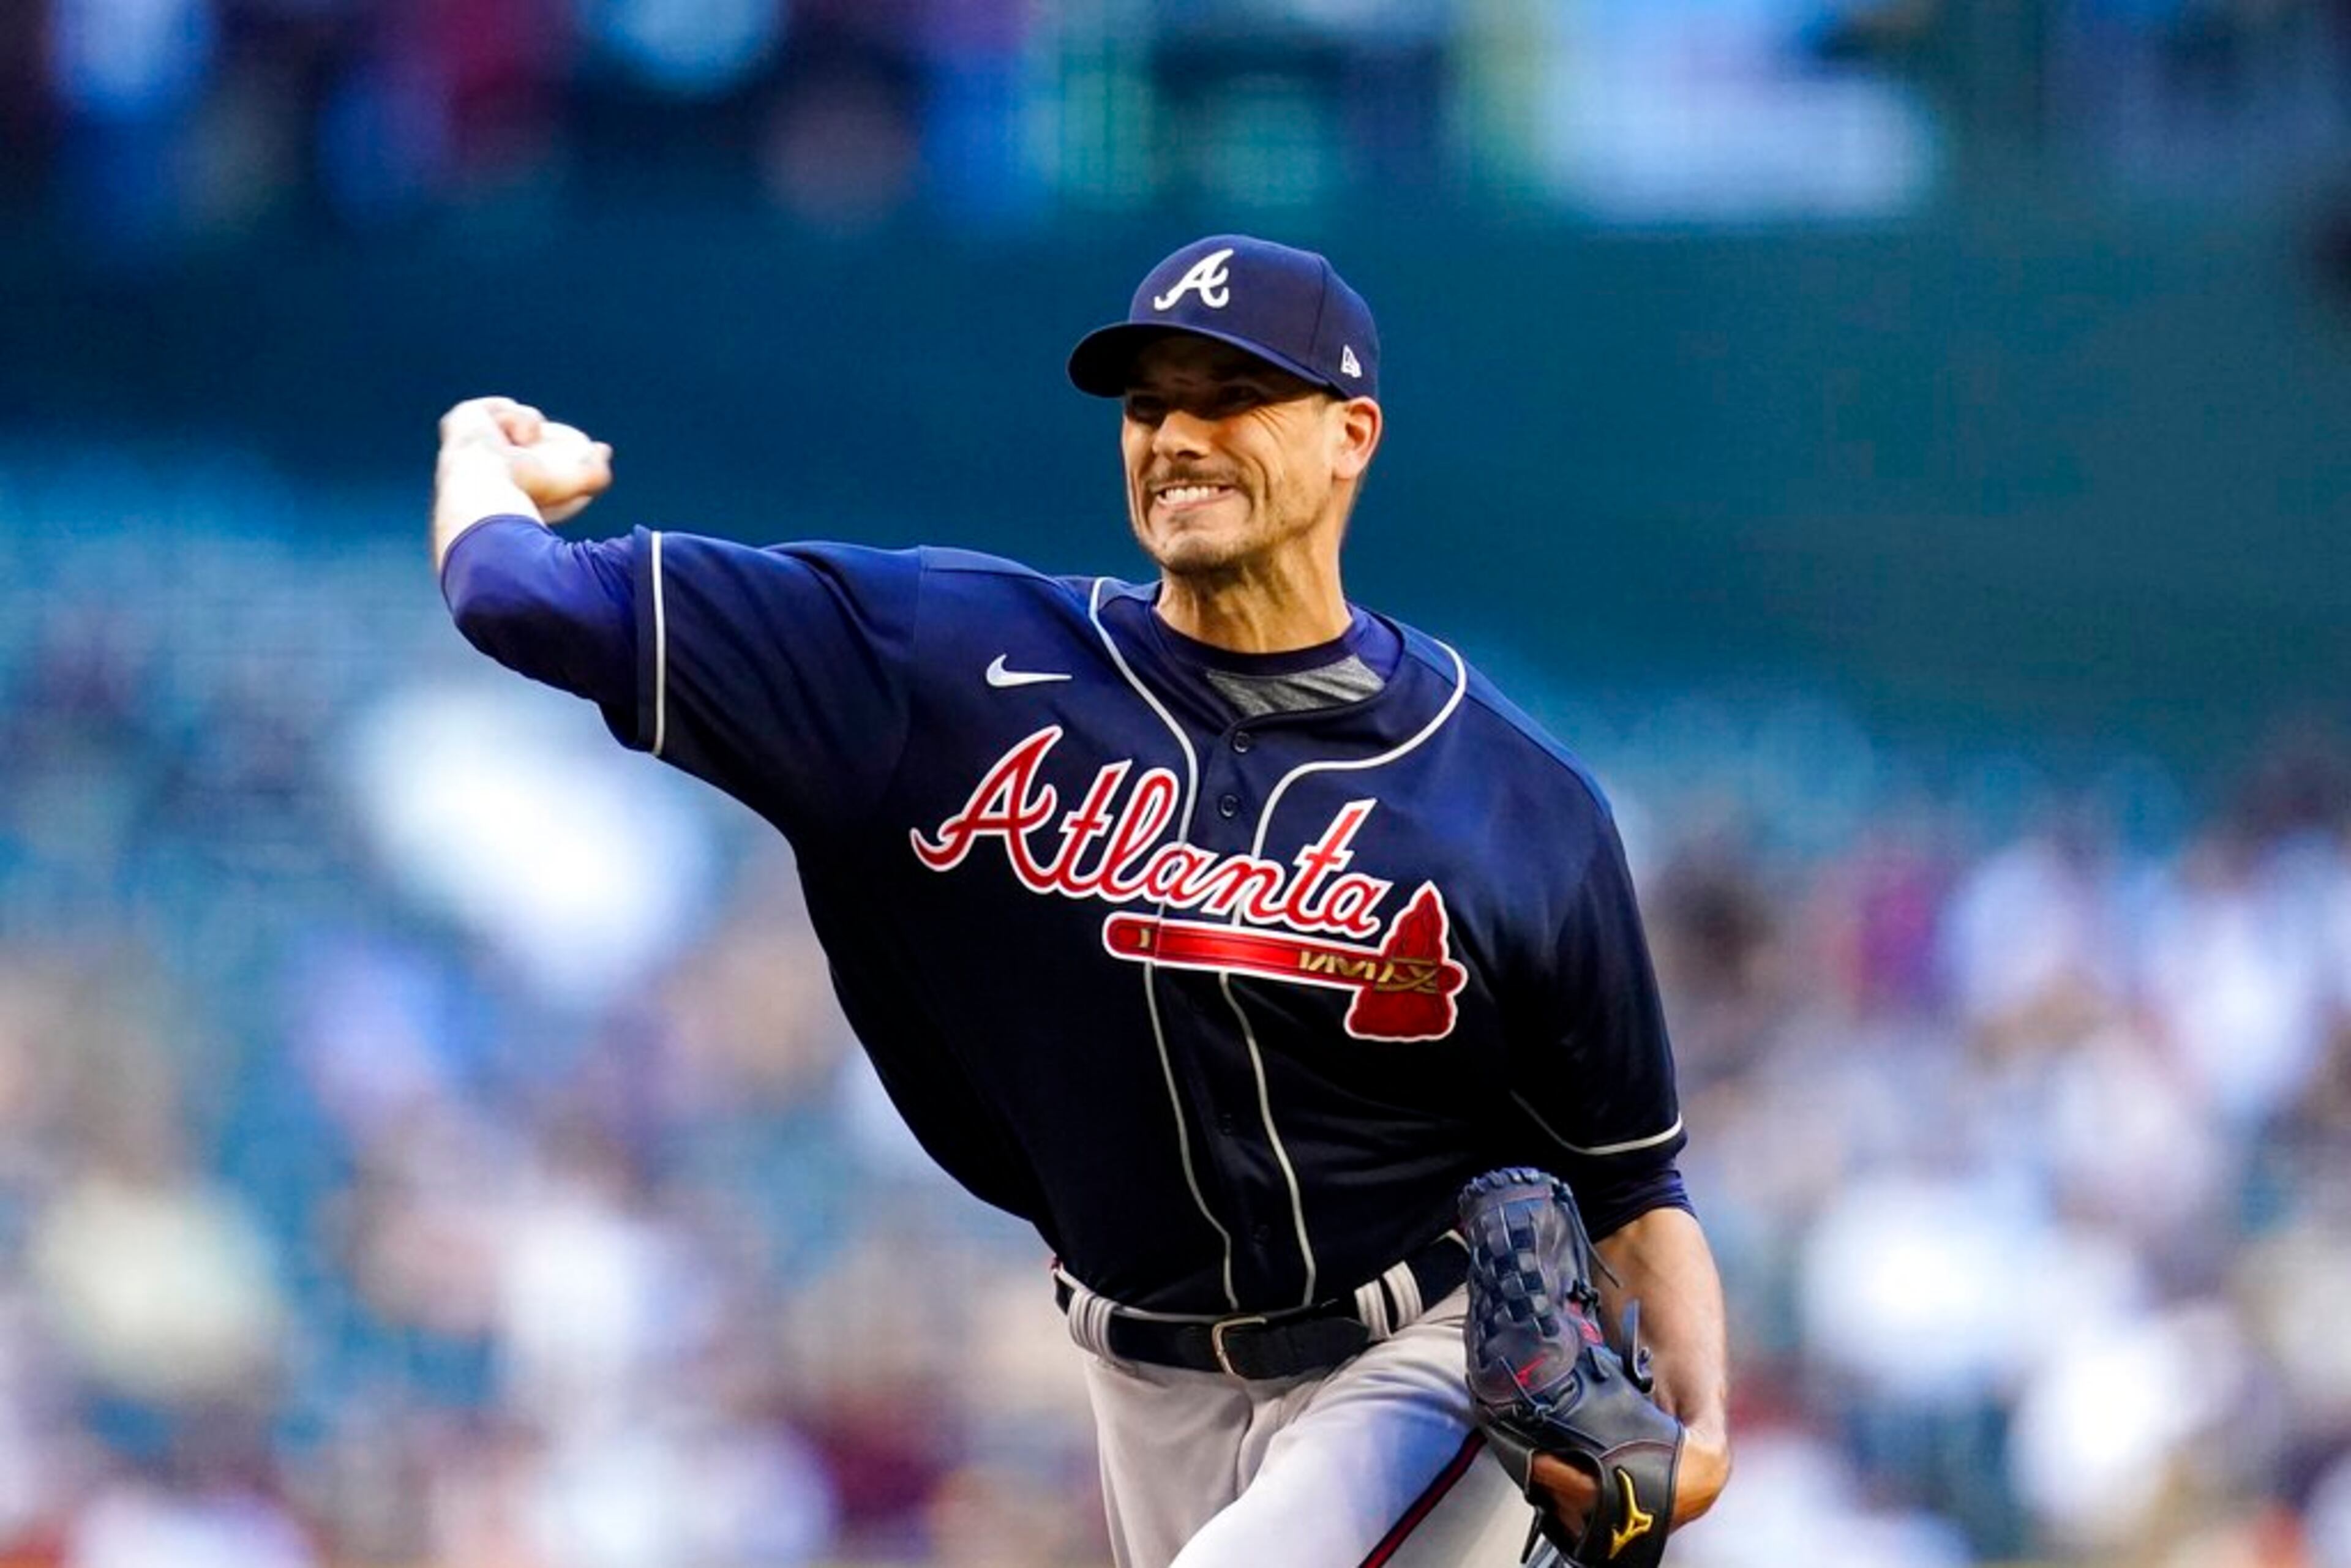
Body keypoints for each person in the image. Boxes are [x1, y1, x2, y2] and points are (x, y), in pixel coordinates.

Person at [430, 234, 1731, 1567]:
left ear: (1351, 435)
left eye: (1232, 395)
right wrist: (482, 461)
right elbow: (516, 595)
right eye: (1151, 403)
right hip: (1137, 1376)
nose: (1180, 435)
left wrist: (1703, 1441)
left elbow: (1631, 1180)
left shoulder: (1514, 799)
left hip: (1420, 1352)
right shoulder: (939, 667)